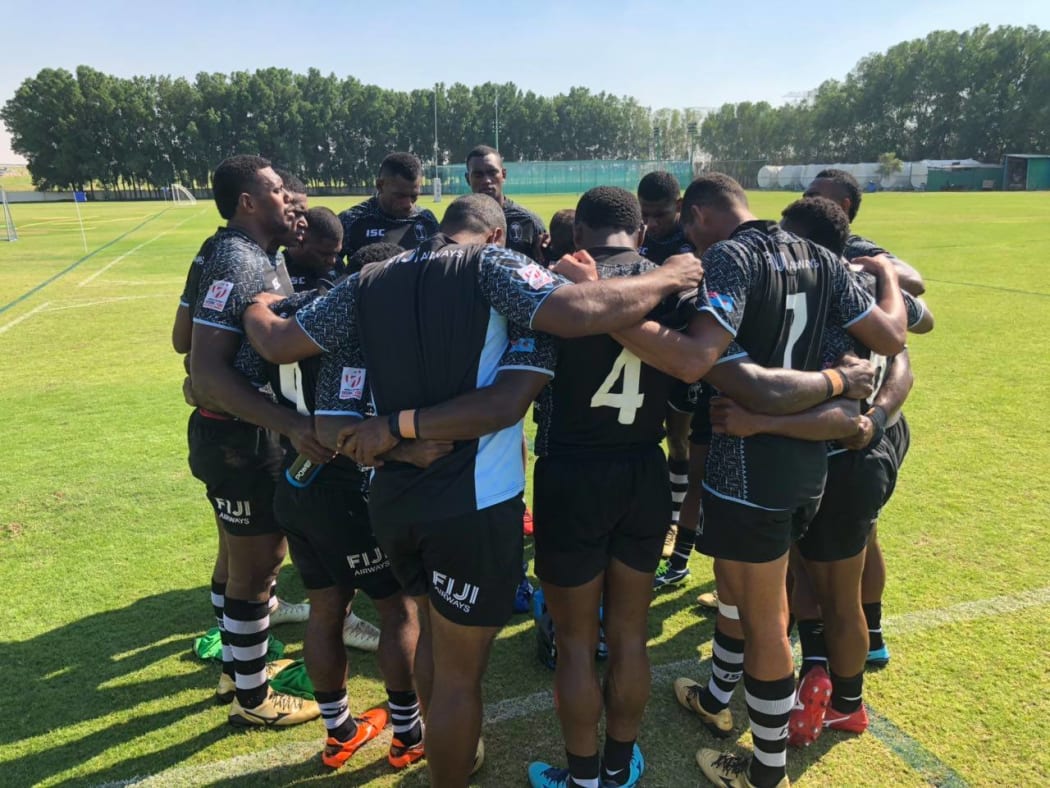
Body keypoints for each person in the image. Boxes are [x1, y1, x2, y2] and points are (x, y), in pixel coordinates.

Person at [244, 192, 702, 787]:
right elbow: (564, 325)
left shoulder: (367, 280)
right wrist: (669, 273)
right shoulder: (494, 269)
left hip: (393, 499)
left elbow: (279, 344)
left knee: (433, 636)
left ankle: (450, 758)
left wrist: (256, 306)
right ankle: (463, 770)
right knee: (465, 674)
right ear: (493, 238)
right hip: (473, 501)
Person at [588, 174, 907, 788]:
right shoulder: (820, 255)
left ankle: (764, 771)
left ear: (703, 214)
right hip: (806, 465)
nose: (688, 236)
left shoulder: (732, 256)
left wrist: (602, 303)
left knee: (763, 617)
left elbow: (693, 359)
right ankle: (716, 698)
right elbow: (892, 336)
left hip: (748, 469)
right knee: (739, 595)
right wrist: (887, 282)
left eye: (688, 223)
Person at [525, 187, 693, 788]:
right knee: (628, 634)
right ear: (641, 232)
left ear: (579, 238)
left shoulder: (554, 283)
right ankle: (618, 768)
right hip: (644, 471)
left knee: (574, 642)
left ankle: (584, 779)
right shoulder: (671, 282)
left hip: (571, 471)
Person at [256, 289, 444, 770]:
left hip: (294, 485)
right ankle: (408, 735)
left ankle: (340, 732)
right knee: (398, 609)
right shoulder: (346, 329)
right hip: (344, 493)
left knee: (326, 609)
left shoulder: (285, 318)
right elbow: (343, 430)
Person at [179, 154, 326, 727]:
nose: (287, 197)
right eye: (274, 190)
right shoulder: (238, 260)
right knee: (259, 567)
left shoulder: (242, 254)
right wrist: (289, 424)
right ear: (247, 201)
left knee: (244, 558)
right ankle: (254, 699)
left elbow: (186, 346)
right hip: (242, 436)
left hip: (240, 431)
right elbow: (207, 370)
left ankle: (237, 669)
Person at [803, 168, 926, 665]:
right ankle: (867, 638)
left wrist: (881, 271)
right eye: (808, 195)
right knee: (861, 536)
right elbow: (918, 325)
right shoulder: (810, 261)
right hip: (868, 427)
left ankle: (831, 666)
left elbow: (912, 321)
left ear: (848, 211)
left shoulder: (862, 262)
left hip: (859, 432)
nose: (813, 204)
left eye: (823, 199)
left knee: (822, 558)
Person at [636, 170, 699, 583]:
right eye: (646, 214)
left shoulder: (693, 244)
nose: (653, 222)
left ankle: (677, 521)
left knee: (680, 439)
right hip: (643, 352)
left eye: (659, 214)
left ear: (678, 207)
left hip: (682, 355)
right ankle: (659, 515)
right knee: (646, 436)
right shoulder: (638, 238)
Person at [337, 152, 438, 262]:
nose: (408, 204)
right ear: (380, 185)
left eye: (414, 196)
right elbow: (328, 265)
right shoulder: (352, 220)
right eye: (400, 196)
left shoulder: (426, 220)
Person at [466, 145, 548, 260]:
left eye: (492, 173)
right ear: (467, 179)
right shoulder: (460, 222)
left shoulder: (528, 221)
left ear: (503, 175)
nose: (486, 180)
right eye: (478, 175)